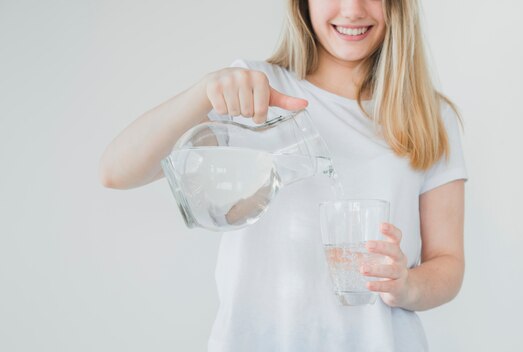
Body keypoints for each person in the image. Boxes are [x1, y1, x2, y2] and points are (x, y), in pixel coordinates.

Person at [99, 0, 468, 351]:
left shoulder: (430, 116)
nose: (353, 10)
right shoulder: (255, 90)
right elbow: (116, 171)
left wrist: (407, 286)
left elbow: (448, 263)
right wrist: (203, 93)